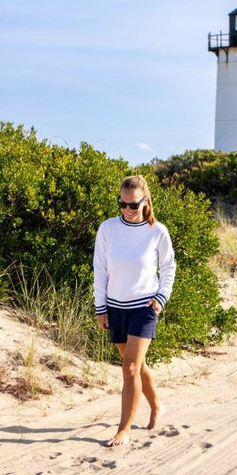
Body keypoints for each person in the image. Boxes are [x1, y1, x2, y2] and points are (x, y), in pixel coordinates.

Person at [93, 175, 176, 447]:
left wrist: (161, 298)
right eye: (123, 204)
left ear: (145, 201)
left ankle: (123, 429)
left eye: (133, 205)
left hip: (144, 308)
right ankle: (157, 406)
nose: (128, 210)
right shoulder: (107, 229)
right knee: (138, 367)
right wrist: (100, 307)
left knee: (129, 368)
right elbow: (100, 270)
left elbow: (168, 268)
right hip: (115, 308)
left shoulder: (157, 232)